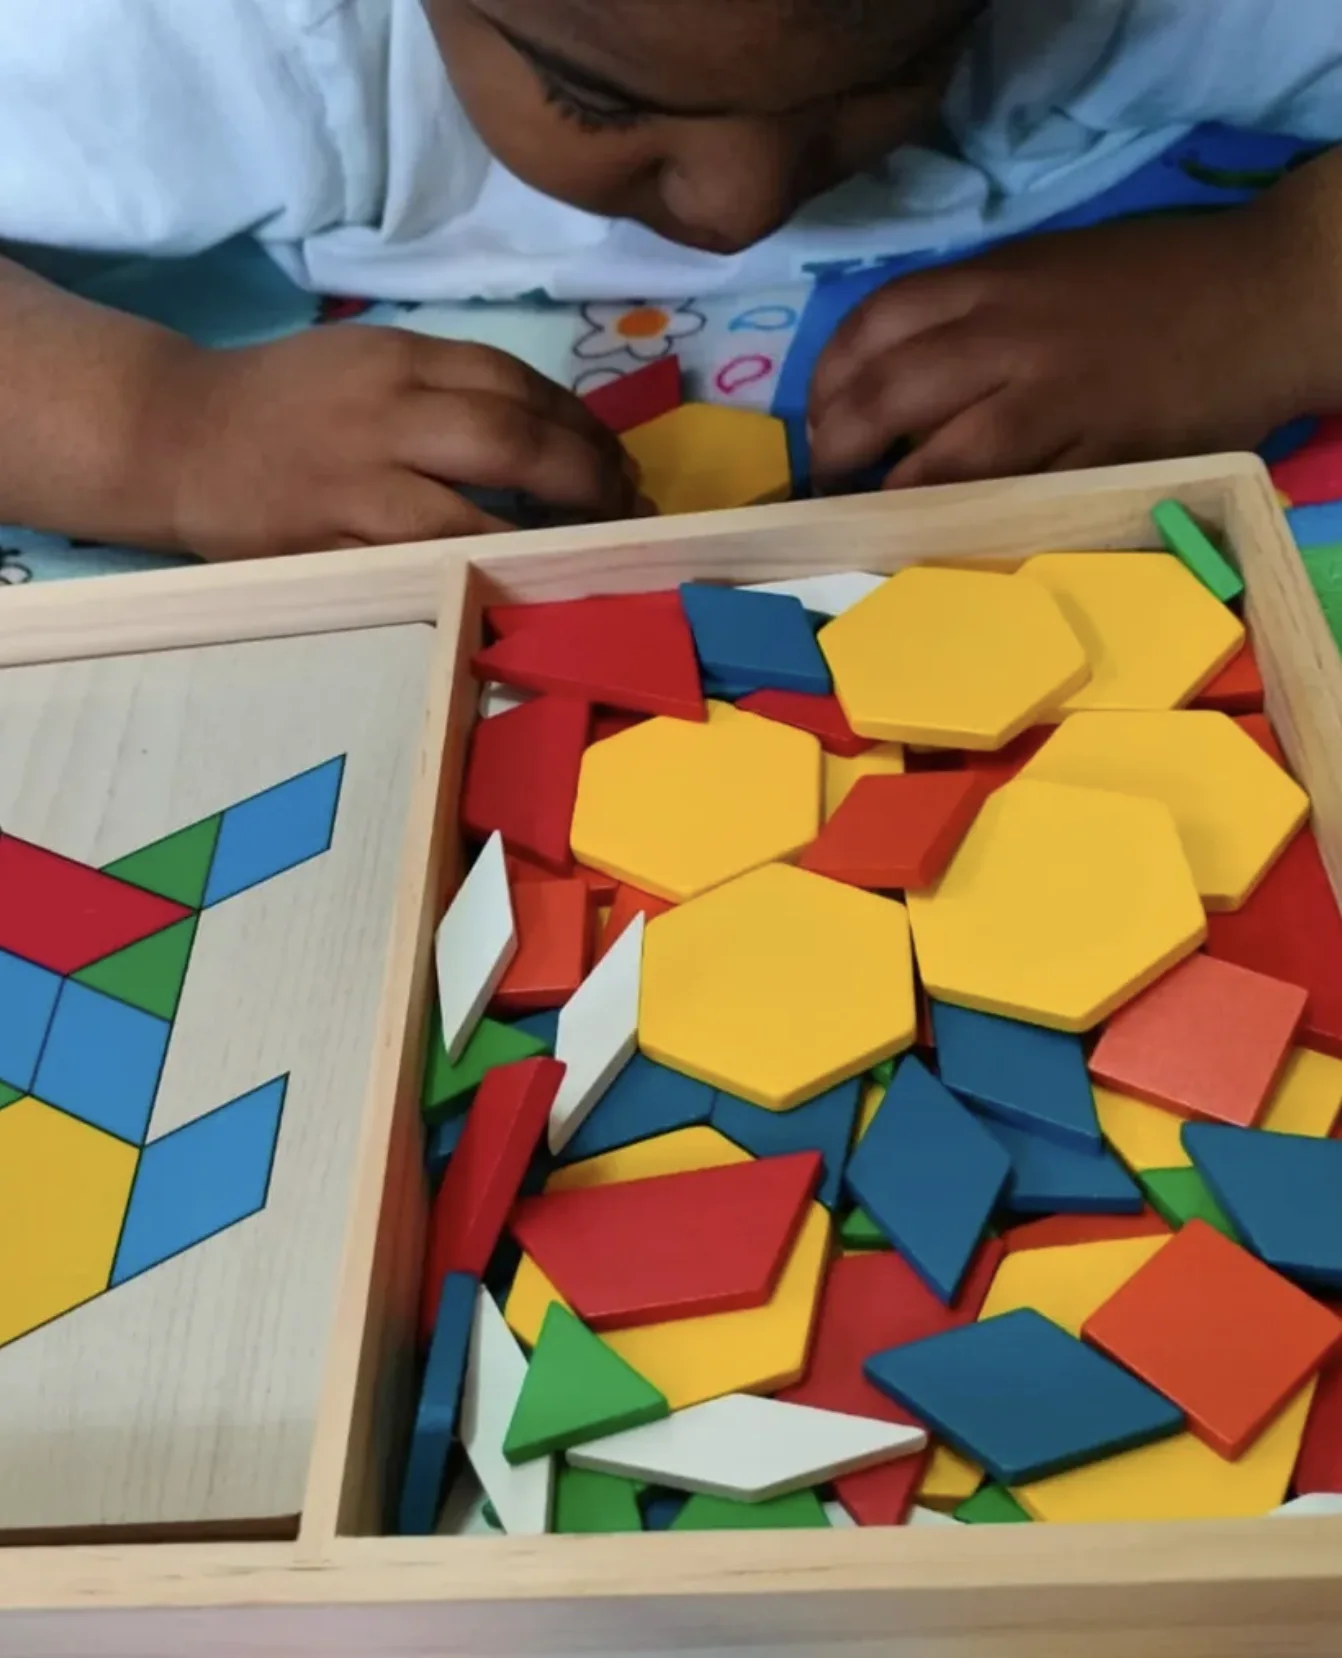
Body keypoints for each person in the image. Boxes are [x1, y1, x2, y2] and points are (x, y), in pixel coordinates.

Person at [1, 0, 1340, 559]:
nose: (739, 205)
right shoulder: (186, 41)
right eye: (591, 99)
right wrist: (156, 428)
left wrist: (1276, 289)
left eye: (885, 74)